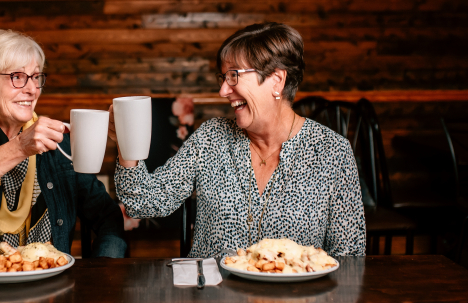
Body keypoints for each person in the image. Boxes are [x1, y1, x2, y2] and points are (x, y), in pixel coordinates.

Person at [110, 22, 365, 258]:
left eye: (234, 75)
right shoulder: (211, 138)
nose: (223, 91)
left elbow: (350, 256)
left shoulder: (332, 152)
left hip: (294, 302)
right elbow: (142, 202)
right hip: (212, 299)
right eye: (223, 78)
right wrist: (124, 142)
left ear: (276, 80)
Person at [0, 29, 126, 257]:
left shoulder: (60, 143)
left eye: (36, 77)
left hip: (48, 282)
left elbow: (107, 217)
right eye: (17, 77)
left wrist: (103, 271)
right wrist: (20, 147)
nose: (32, 89)